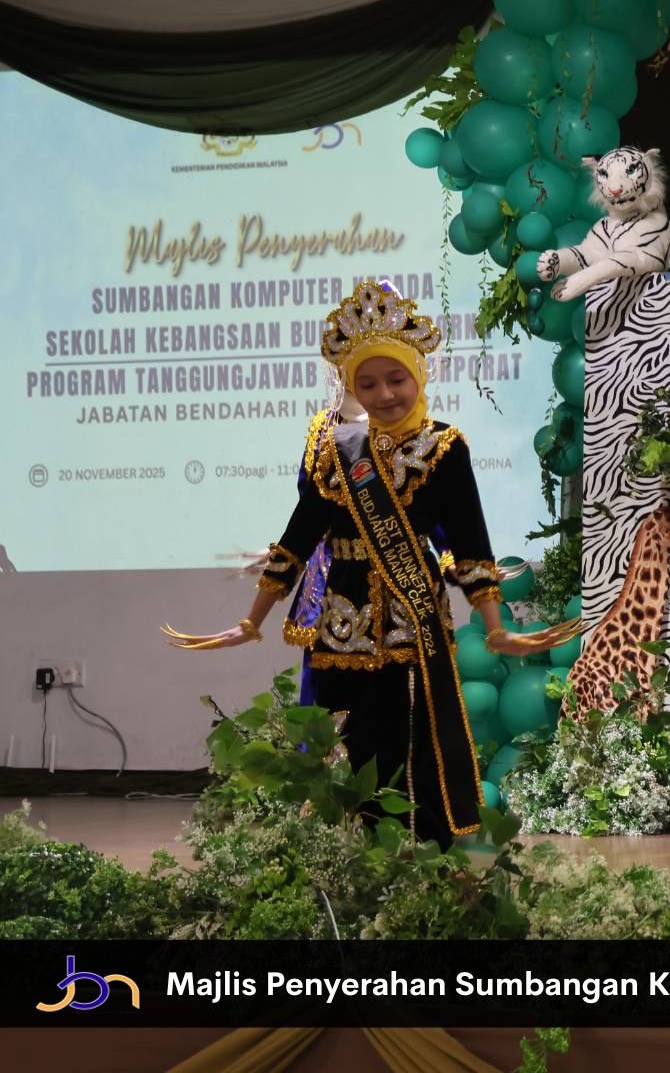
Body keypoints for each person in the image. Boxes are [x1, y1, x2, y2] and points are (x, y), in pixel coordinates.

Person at [165, 281, 579, 846]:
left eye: (396, 379)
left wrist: (496, 627)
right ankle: (336, 862)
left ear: (419, 376)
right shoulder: (331, 445)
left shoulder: (443, 447)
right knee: (340, 744)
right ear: (351, 385)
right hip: (341, 625)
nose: (384, 394)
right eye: (368, 382)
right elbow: (299, 536)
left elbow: (470, 543)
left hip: (413, 624)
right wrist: (252, 620)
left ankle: (421, 862)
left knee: (410, 745)